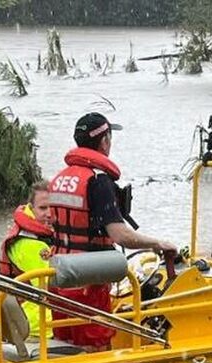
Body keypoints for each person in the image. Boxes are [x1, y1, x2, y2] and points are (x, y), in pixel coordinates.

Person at [48, 112, 177, 349]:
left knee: (64, 345)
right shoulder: (98, 180)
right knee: (95, 347)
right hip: (89, 281)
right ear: (104, 141)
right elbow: (121, 235)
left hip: (58, 279)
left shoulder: (59, 179)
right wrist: (158, 244)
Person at [0, 180, 54, 336]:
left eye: (53, 208)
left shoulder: (28, 233)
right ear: (31, 207)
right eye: (43, 208)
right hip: (38, 326)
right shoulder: (32, 245)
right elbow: (51, 287)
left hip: (21, 319)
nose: (49, 214)